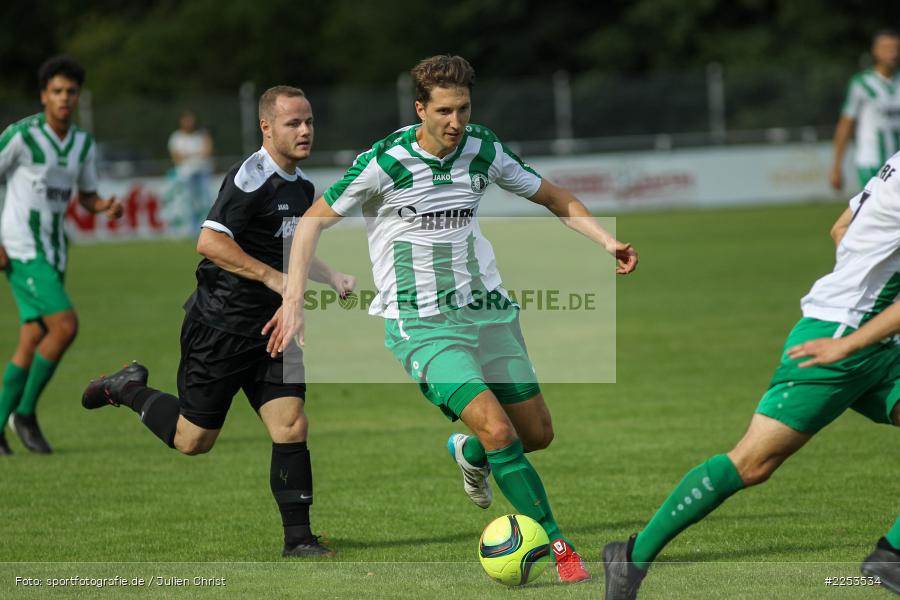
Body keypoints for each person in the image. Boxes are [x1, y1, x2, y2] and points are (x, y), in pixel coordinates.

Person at [275, 55, 638, 583]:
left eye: (463, 109)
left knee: (535, 434)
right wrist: (293, 300)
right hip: (420, 323)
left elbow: (554, 196)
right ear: (420, 108)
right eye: (444, 110)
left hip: (488, 312)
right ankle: (561, 549)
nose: (455, 121)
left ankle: (467, 451)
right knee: (498, 430)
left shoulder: (482, 148)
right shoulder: (387, 161)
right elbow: (310, 224)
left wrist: (606, 240)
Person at [602, 155, 900, 599]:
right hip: (839, 341)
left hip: (868, 338)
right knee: (753, 463)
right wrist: (850, 333)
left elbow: (841, 228)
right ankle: (631, 557)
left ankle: (890, 558)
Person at [81, 86, 354, 557]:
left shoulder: (302, 186)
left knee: (291, 425)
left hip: (272, 327)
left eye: (309, 121)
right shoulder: (250, 178)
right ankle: (125, 387)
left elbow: (288, 249)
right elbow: (209, 243)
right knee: (193, 440)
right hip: (221, 326)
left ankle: (299, 540)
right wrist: (276, 281)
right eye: (294, 123)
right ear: (266, 127)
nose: (306, 130)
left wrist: (330, 275)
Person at [0, 55, 122, 455]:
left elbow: (84, 195)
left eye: (71, 91)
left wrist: (102, 205)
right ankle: (27, 413)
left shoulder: (82, 144)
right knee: (65, 326)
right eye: (57, 91)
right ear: (43, 96)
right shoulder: (22, 136)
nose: (64, 98)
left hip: (54, 250)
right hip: (20, 247)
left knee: (33, 337)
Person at [830, 29, 900, 192]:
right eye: (887, 48)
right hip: (871, 162)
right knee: (873, 213)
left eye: (896, 48)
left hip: (898, 163)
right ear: (875, 50)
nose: (893, 53)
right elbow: (846, 124)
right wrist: (836, 166)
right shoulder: (861, 83)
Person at [168, 110, 215, 233]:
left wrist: (188, 155)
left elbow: (207, 152)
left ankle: (209, 229)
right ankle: (192, 230)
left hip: (202, 173)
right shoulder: (176, 137)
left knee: (206, 202)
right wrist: (196, 154)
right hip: (186, 175)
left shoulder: (202, 135)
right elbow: (176, 158)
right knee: (189, 204)